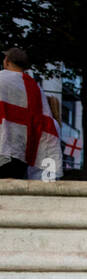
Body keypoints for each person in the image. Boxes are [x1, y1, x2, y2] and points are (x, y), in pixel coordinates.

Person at [0, 47, 61, 180]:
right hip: (20, 153)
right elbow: (43, 123)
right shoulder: (35, 88)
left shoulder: (1, 79)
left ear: (7, 61)